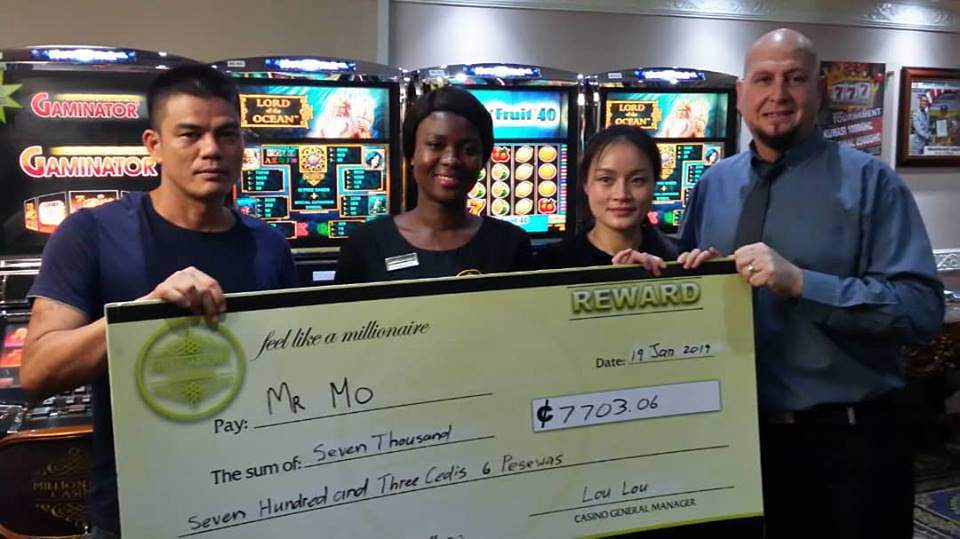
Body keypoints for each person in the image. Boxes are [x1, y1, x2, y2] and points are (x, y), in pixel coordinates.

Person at [678, 28, 943, 538]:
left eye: (794, 79)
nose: (778, 94)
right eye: (763, 79)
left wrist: (803, 283)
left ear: (819, 90)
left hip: (847, 451)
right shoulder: (714, 184)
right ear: (741, 95)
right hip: (735, 444)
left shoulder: (872, 183)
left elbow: (921, 310)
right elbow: (689, 291)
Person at [20, 64, 298, 538]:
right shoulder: (91, 233)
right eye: (190, 134)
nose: (211, 150)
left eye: (226, 134)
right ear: (154, 145)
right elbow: (38, 372)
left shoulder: (269, 245)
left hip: (253, 501)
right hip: (135, 512)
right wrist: (144, 314)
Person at [335, 87, 532, 283]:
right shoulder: (366, 244)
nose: (451, 160)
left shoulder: (510, 243)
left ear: (483, 159)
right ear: (411, 154)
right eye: (436, 145)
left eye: (468, 149)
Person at [537, 125, 677, 273]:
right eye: (606, 179)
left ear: (654, 184)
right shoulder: (549, 265)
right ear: (586, 184)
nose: (621, 195)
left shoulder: (677, 258)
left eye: (637, 180)